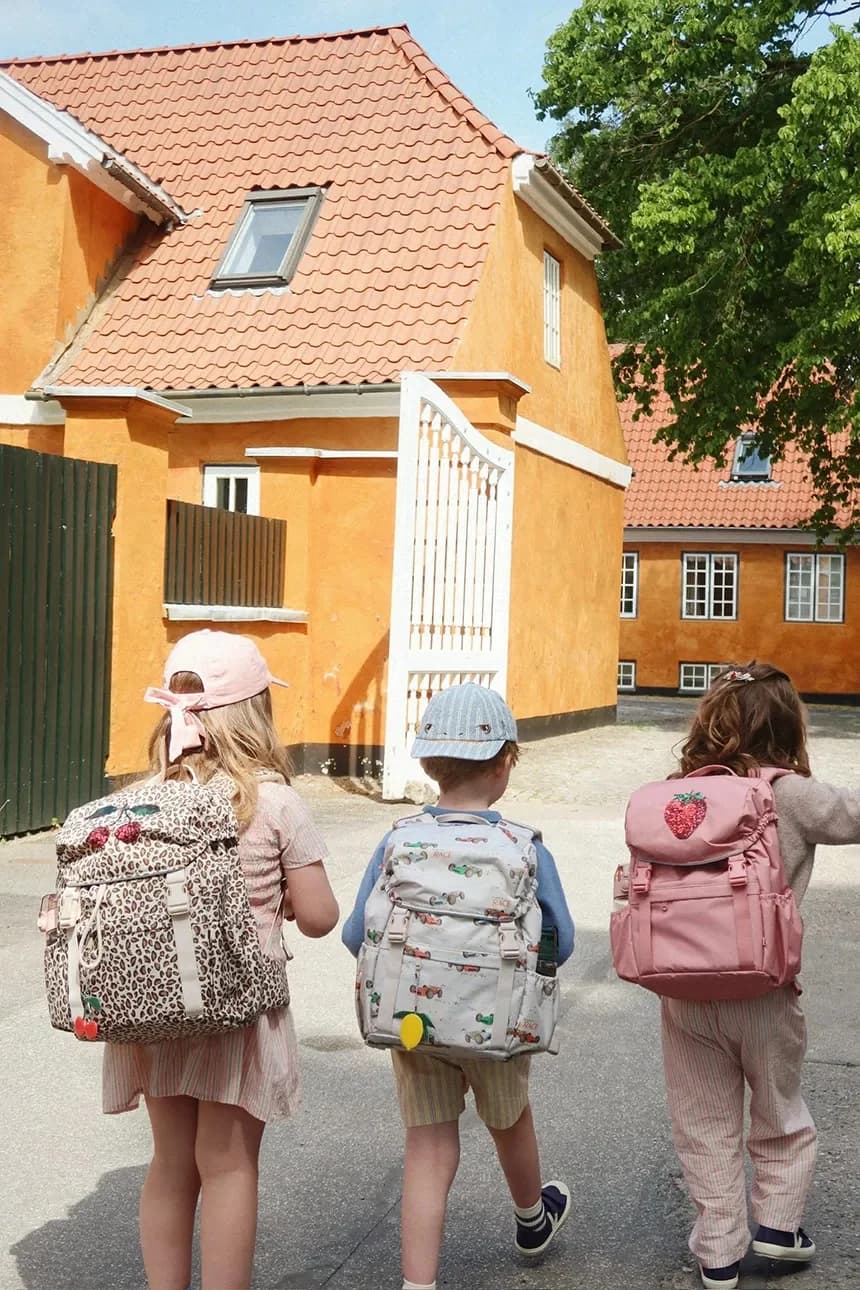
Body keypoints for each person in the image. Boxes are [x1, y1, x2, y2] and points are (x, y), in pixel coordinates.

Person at [103, 630, 339, 1290]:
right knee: (229, 1165)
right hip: (238, 1010)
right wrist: (285, 899)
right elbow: (320, 918)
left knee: (170, 1163)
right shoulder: (275, 803)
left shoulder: (135, 802)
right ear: (256, 711)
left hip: (155, 1004)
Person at [343, 683, 574, 1290]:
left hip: (412, 1021)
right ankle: (532, 1219)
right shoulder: (522, 847)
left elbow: (354, 935)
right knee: (510, 1119)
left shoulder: (399, 839)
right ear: (504, 766)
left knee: (428, 1147)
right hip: (497, 1019)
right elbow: (561, 939)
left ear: (426, 764)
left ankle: (418, 1284)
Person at [658, 661, 860, 1289]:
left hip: (683, 988)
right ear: (788, 726)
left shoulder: (676, 794)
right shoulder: (791, 794)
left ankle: (717, 1253)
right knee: (777, 1111)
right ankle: (775, 1230)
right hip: (764, 990)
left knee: (703, 1124)